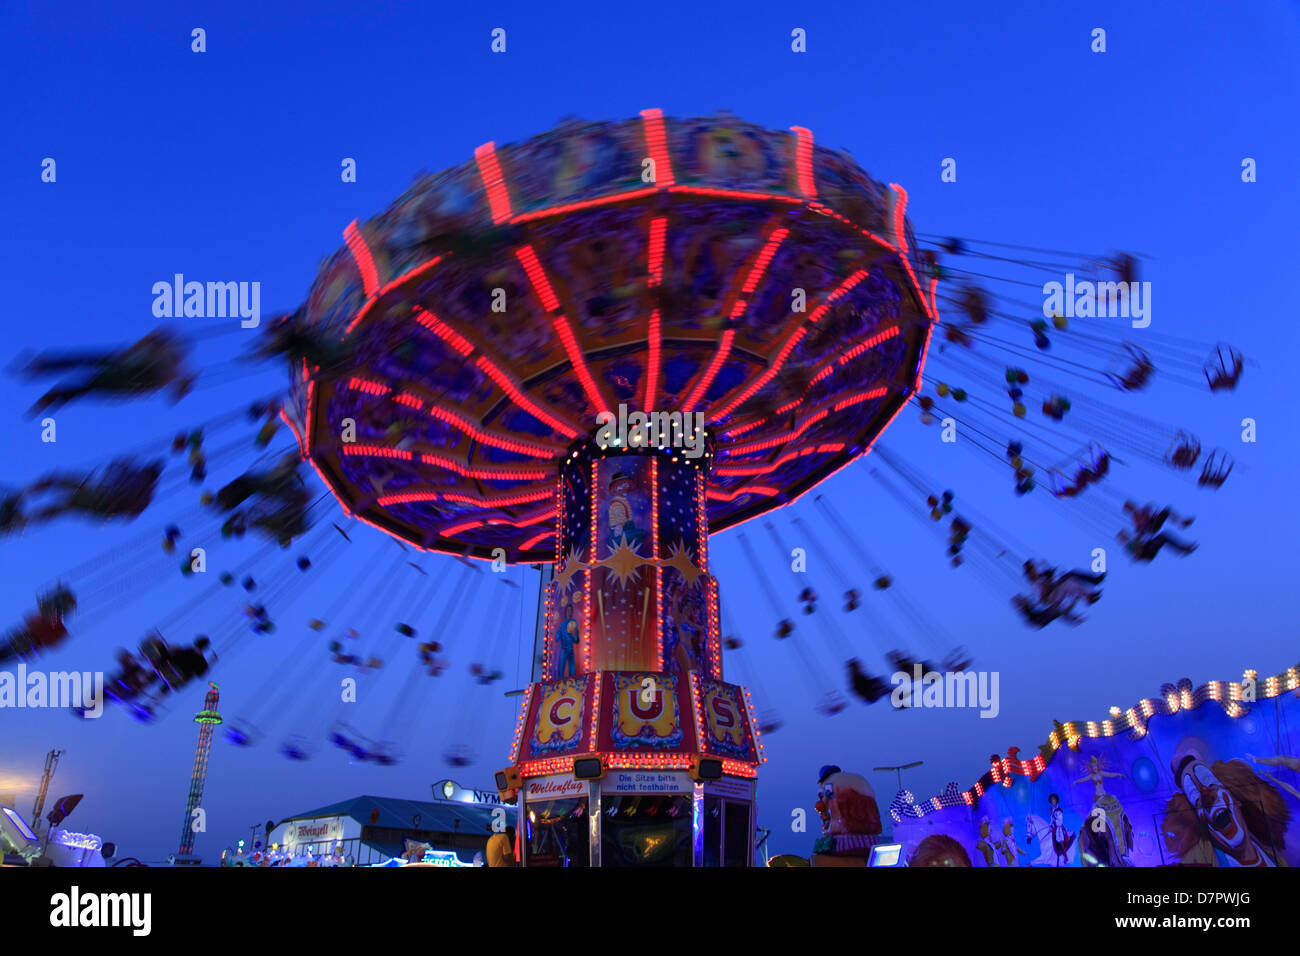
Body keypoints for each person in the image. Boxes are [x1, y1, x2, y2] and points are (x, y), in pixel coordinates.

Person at [23, 328, 195, 416]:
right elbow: (174, 394)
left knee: (87, 374)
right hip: (128, 370)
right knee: (88, 378)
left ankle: (46, 374)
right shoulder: (172, 364)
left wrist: (183, 385)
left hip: (129, 370)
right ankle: (47, 377)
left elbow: (154, 337)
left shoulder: (172, 365)